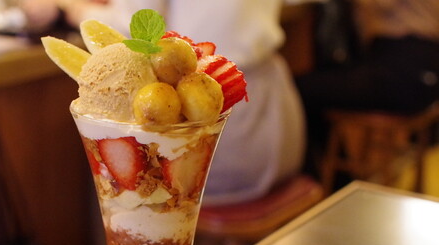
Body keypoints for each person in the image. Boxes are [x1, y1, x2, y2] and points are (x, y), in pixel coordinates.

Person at [62, 0, 307, 205]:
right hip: (276, 112)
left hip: (205, 129)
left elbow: (129, 29)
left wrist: (73, 7)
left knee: (122, 190)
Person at [296, 0, 439, 177]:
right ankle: (337, 181)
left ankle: (330, 183)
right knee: (310, 88)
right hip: (422, 72)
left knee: (300, 89)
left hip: (404, 72)